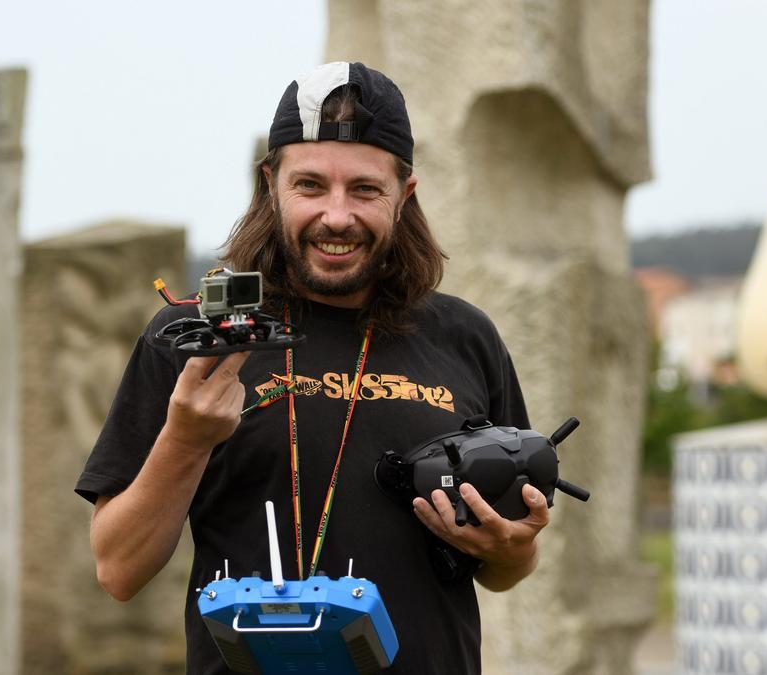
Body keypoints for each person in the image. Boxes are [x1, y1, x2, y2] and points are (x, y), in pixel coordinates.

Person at [75, 61, 551, 674]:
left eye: (364, 189)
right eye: (309, 186)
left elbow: (507, 565)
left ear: (404, 197)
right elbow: (118, 570)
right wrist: (187, 438)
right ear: (269, 185)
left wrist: (513, 552)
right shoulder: (192, 338)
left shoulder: (466, 337)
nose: (336, 216)